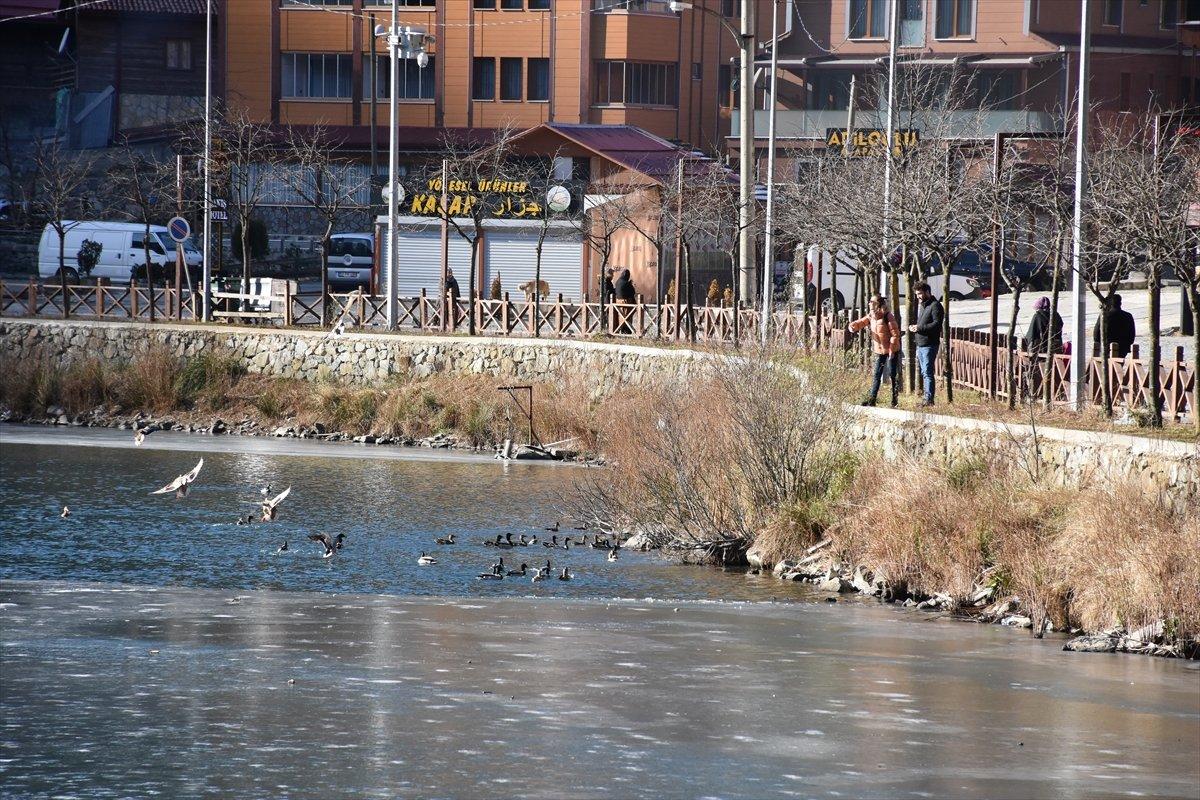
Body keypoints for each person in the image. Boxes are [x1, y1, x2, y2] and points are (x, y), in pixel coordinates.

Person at [848, 295, 902, 407]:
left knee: (893, 374)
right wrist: (853, 326)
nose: (869, 303)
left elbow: (895, 334)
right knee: (877, 374)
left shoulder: (888, 316)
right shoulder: (871, 315)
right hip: (879, 350)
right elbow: (861, 322)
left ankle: (894, 400)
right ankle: (872, 400)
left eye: (871, 301)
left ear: (877, 303)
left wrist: (892, 349)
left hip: (892, 350)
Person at [907, 281, 943, 407]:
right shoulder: (923, 305)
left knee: (928, 372)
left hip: (930, 344)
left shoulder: (935, 306)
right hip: (921, 344)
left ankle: (929, 400)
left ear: (927, 292)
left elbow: (937, 324)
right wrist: (916, 328)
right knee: (924, 372)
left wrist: (919, 328)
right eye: (917, 294)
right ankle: (926, 398)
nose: (919, 297)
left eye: (920, 294)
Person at [1093, 293, 1135, 358]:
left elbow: (1097, 331)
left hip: (1106, 347)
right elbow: (1132, 334)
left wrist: (1098, 344)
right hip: (1122, 348)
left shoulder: (1104, 315)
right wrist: (1127, 346)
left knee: (1107, 366)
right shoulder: (1128, 316)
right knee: (1118, 366)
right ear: (1120, 303)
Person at [614, 268, 636, 333]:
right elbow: (632, 292)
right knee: (627, 317)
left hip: (618, 302)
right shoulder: (626, 283)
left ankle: (620, 329)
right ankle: (627, 330)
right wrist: (630, 284)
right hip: (626, 302)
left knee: (621, 316)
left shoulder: (617, 282)